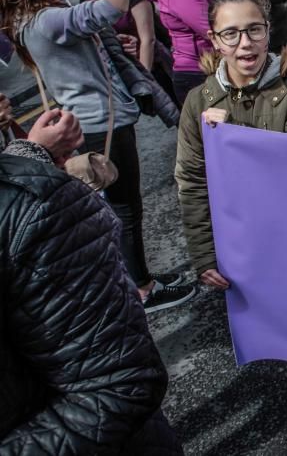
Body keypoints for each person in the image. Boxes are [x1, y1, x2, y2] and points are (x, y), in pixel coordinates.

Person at [0, 0, 195, 313]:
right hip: (96, 123)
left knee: (122, 208)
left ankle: (139, 280)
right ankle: (141, 290)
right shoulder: (45, 19)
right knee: (124, 210)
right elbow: (113, 5)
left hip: (95, 119)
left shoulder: (40, 14)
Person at [173, 0, 287, 449]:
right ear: (214, 40)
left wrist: (232, 138)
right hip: (243, 242)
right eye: (232, 34)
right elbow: (192, 183)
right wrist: (204, 254)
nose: (246, 44)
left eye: (255, 30)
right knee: (272, 328)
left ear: (268, 31)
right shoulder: (199, 104)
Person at [0, 148, 182, 453]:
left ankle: (144, 283)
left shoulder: (30, 204)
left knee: (127, 208)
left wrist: (32, 154)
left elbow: (120, 384)